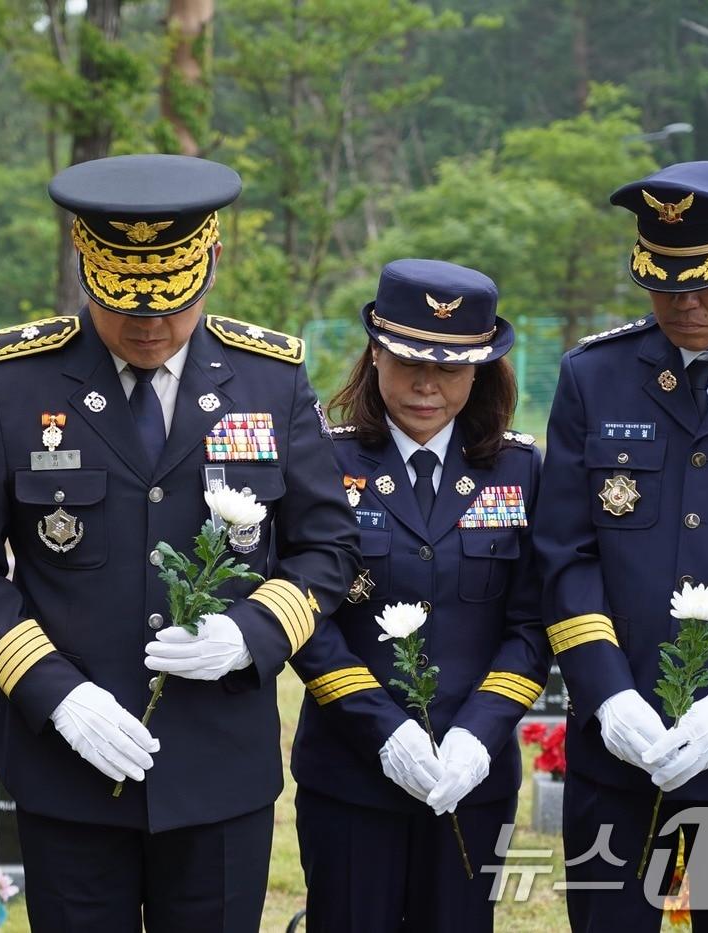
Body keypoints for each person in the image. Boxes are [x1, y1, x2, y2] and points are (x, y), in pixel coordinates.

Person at [0, 153, 360, 932]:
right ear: (84, 269)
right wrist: (57, 692)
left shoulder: (271, 378)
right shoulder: (13, 380)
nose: (150, 324)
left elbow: (327, 548)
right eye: (124, 302)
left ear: (212, 263)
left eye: (172, 302)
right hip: (70, 767)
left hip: (219, 765)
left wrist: (250, 631)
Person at [534, 161, 708, 931]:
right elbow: (565, 553)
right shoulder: (595, 376)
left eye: (703, 281)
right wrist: (606, 692)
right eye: (662, 281)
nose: (682, 303)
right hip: (622, 754)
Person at [288, 258, 548, 932]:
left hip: (472, 778)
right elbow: (307, 614)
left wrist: (480, 733)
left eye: (451, 366)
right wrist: (386, 728)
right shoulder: (324, 461)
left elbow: (532, 623)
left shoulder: (520, 469)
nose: (427, 383)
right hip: (350, 771)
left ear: (481, 368)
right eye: (407, 361)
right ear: (375, 353)